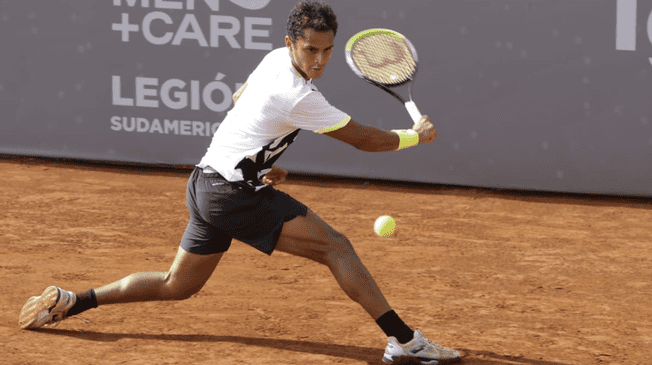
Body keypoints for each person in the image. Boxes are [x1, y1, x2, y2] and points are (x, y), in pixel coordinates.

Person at [19, 1, 460, 364]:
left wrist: (260, 161)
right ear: (292, 44)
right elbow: (364, 140)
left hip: (207, 183)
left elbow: (239, 100)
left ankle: (72, 300)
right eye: (311, 50)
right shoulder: (299, 95)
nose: (320, 60)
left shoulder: (273, 60)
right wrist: (415, 137)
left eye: (327, 50)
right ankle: (404, 341)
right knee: (336, 246)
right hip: (230, 194)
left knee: (179, 285)